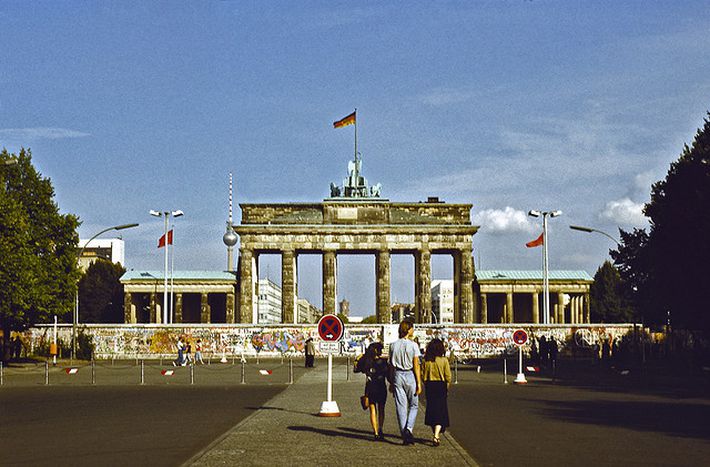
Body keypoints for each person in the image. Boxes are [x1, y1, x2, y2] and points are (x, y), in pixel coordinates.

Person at [388, 318, 421, 445]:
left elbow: (391, 365)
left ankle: (404, 435)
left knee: (400, 407)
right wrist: (418, 383)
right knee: (414, 405)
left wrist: (391, 381)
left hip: (397, 375)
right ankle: (408, 429)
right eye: (412, 327)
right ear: (408, 330)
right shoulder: (413, 345)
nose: (413, 330)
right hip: (409, 375)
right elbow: (416, 365)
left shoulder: (393, 345)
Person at [422, 338, 452, 446]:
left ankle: (435, 432)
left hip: (430, 385)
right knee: (441, 411)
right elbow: (448, 376)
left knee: (431, 410)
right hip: (440, 385)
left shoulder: (426, 360)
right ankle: (436, 435)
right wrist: (447, 387)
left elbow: (422, 375)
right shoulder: (444, 360)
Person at [356, 342, 388, 440]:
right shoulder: (383, 362)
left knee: (372, 410)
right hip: (381, 386)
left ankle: (375, 432)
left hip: (370, 388)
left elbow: (357, 368)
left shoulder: (366, 361)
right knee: (381, 409)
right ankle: (381, 428)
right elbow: (387, 374)